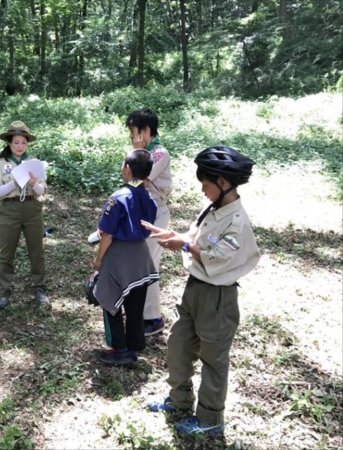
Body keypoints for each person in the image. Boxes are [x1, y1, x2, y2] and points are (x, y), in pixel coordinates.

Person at [143, 146, 260, 435]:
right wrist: (176, 237)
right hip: (195, 288)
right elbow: (198, 239)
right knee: (179, 344)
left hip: (217, 297)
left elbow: (218, 256)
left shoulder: (236, 220)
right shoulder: (215, 208)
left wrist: (183, 245)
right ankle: (180, 400)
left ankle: (210, 419)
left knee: (213, 359)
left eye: (206, 183)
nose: (203, 190)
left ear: (222, 182)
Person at [88, 108, 171, 337]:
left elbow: (139, 175)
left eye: (134, 132)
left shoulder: (159, 153)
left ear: (145, 130)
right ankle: (141, 315)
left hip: (153, 215)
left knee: (148, 266)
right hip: (139, 212)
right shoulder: (144, 152)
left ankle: (152, 317)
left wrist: (135, 152)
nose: (132, 137)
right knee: (140, 266)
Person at [93, 149, 159, 366]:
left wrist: (99, 259)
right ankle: (134, 346)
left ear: (128, 169)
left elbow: (107, 234)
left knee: (110, 299)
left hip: (119, 255)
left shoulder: (118, 197)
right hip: (141, 255)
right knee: (135, 304)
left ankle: (119, 349)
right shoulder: (148, 197)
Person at [0, 121, 48, 309]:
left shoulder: (33, 164)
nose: (20, 146)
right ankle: (4, 291)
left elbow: (41, 191)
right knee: (6, 253)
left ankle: (40, 287)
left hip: (32, 209)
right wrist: (14, 183)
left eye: (23, 142)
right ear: (9, 143)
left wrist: (32, 182)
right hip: (10, 210)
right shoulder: (1, 164)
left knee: (36, 251)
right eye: (16, 142)